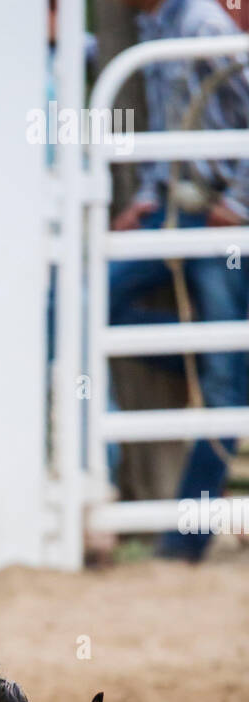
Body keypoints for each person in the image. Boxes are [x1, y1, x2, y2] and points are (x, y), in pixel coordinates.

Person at [111, 0, 249, 559]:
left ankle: (184, 542)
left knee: (223, 380)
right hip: (178, 207)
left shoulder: (203, 26)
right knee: (98, 304)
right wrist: (148, 196)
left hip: (214, 214)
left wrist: (238, 204)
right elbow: (171, 126)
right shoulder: (161, 26)